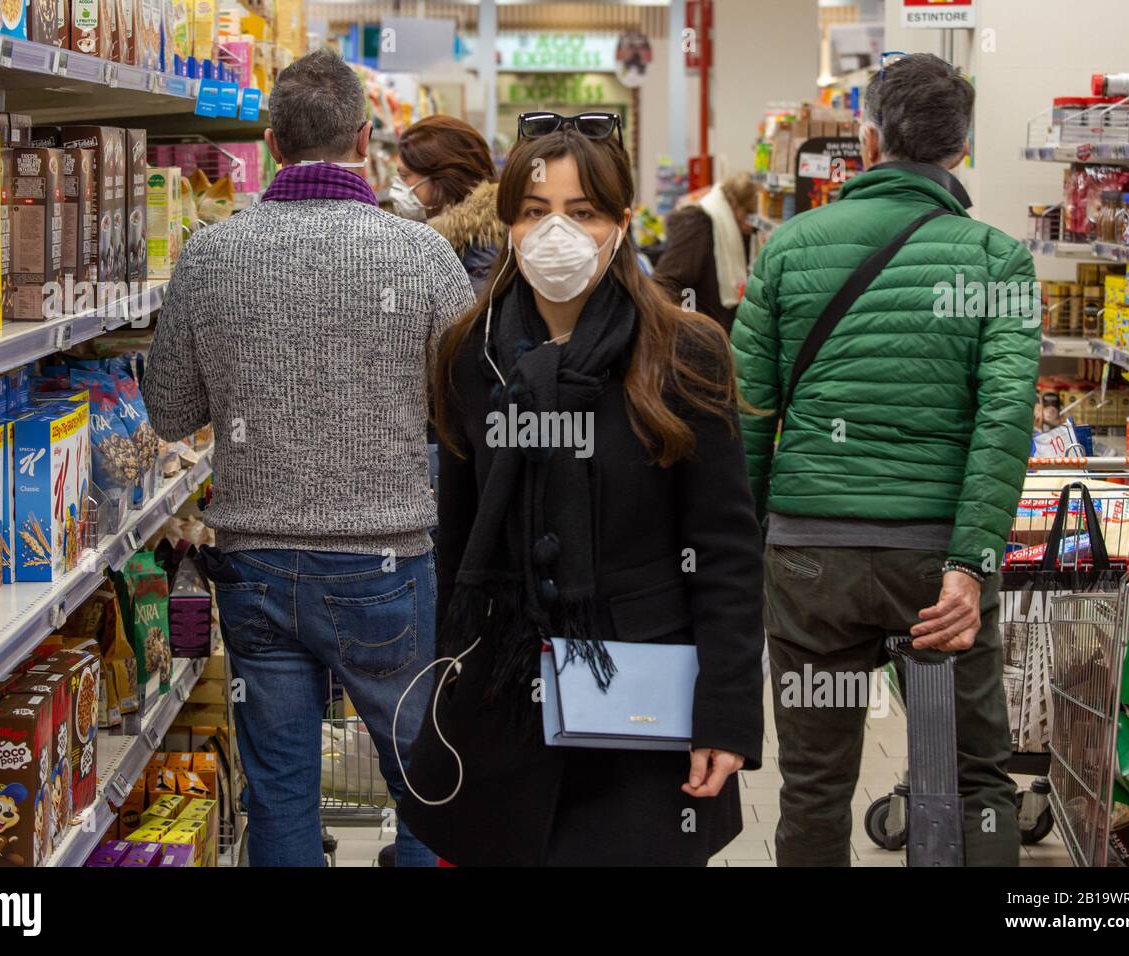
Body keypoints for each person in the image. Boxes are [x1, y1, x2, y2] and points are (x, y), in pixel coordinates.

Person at [141, 47, 476, 867]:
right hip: (385, 566)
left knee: (280, 787)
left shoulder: (210, 256)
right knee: (423, 781)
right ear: (365, 138)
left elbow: (171, 411)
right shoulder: (422, 256)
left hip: (255, 564)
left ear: (271, 140)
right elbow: (470, 406)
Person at [400, 120, 766, 866]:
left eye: (584, 211)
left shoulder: (683, 353)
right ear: (506, 223)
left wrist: (725, 715)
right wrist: (448, 686)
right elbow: (458, 537)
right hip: (503, 697)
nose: (557, 232)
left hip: (641, 699)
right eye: (536, 212)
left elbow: (726, 553)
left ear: (622, 224)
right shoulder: (470, 355)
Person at [731, 53, 1040, 867]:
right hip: (936, 567)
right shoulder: (996, 261)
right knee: (975, 781)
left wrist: (756, 546)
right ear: (961, 151)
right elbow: (1003, 423)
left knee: (814, 785)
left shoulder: (788, 250)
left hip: (810, 566)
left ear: (866, 140)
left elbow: (749, 420)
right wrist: (972, 564)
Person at [393, 115, 504, 294]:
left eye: (405, 176)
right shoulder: (464, 240)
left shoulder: (477, 260)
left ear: (444, 180)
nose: (397, 185)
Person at [653, 174, 760, 336]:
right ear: (736, 206)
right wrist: (690, 325)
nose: (750, 227)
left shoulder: (732, 229)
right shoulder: (700, 223)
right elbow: (666, 282)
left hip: (712, 332)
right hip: (696, 336)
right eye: (749, 217)